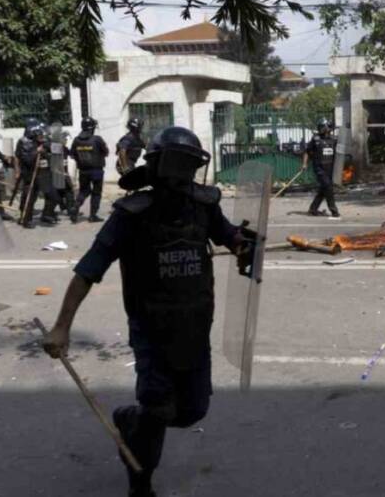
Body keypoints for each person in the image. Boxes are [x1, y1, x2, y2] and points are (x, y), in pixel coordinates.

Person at [41, 127, 252, 497]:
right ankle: (140, 484)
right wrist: (61, 327)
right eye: (176, 164)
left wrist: (241, 243)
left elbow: (227, 234)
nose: (182, 175)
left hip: (195, 324)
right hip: (151, 328)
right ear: (157, 165)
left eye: (189, 165)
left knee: (191, 412)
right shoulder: (132, 213)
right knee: (158, 411)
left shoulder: (203, 205)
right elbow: (88, 269)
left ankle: (129, 419)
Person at [18, 125, 61, 228]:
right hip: (32, 176)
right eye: (40, 135)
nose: (43, 136)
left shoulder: (45, 144)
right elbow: (26, 160)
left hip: (45, 175)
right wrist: (36, 152)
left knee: (54, 196)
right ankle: (25, 219)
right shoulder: (26, 145)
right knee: (29, 199)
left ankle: (47, 214)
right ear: (35, 136)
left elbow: (58, 151)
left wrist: (47, 151)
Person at [70, 117, 110, 222]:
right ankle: (93, 215)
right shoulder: (97, 139)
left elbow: (72, 154)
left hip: (83, 171)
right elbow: (106, 152)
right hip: (96, 170)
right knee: (96, 192)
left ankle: (76, 205)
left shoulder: (76, 140)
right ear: (92, 128)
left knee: (84, 190)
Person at [302, 118, 339, 218]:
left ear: (327, 127)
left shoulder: (334, 139)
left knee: (324, 189)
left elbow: (339, 154)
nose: (320, 129)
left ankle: (313, 208)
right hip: (319, 168)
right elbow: (307, 151)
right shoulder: (315, 139)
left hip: (330, 169)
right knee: (328, 187)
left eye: (322, 126)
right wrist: (304, 164)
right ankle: (334, 211)